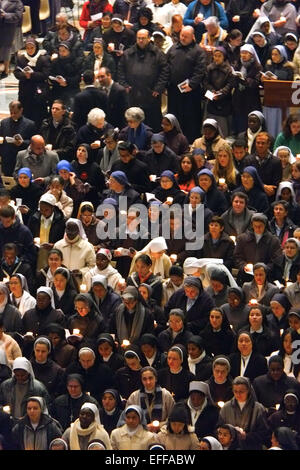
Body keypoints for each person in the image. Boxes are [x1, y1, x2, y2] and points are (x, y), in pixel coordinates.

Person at [118, 29, 169, 132]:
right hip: (133, 95)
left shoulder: (157, 53)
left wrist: (159, 88)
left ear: (149, 38)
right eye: (139, 38)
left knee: (152, 124)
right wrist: (125, 85)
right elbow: (120, 71)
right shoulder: (128, 53)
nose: (141, 40)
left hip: (151, 95)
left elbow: (165, 72)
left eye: (143, 38)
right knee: (134, 122)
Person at [167, 26, 206, 143]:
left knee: (190, 119)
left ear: (193, 37)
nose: (183, 38)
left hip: (191, 92)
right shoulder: (173, 48)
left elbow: (200, 70)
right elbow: (166, 66)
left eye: (186, 36)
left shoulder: (198, 51)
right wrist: (166, 84)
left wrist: (192, 84)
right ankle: (174, 140)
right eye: (182, 35)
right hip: (174, 90)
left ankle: (190, 142)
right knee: (174, 117)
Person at [217, 376, 270, 450]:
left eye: (241, 392)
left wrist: (246, 436)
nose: (238, 394)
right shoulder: (226, 408)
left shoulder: (258, 408)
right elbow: (218, 428)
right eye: (235, 391)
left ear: (248, 390)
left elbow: (264, 433)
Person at [234, 213, 283, 285]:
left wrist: (263, 269)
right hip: (246, 277)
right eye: (255, 226)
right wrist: (243, 265)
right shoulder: (243, 239)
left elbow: (276, 260)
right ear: (252, 225)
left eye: (260, 226)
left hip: (266, 278)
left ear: (265, 226)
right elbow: (237, 256)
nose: (257, 228)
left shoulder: (273, 241)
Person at [14, 38, 51, 127]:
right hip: (25, 91)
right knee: (26, 113)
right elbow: (16, 72)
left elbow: (45, 74)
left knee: (38, 115)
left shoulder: (43, 59)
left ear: (36, 48)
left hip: (38, 92)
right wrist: (24, 75)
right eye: (28, 48)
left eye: (32, 48)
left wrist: (32, 75)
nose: (30, 50)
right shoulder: (21, 58)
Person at [127, 366, 175, 430]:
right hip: (141, 433)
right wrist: (145, 427)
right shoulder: (134, 396)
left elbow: (173, 417)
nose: (148, 382)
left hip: (162, 433)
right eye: (144, 379)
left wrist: (160, 425)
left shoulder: (166, 395)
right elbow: (128, 418)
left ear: (156, 379)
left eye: (150, 378)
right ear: (141, 380)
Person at [28, 193, 66, 270]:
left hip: (53, 251)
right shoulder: (34, 218)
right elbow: (29, 233)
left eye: (46, 210)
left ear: (52, 208)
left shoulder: (60, 221)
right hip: (36, 251)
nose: (43, 212)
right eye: (41, 209)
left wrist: (53, 245)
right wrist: (33, 241)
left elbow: (62, 239)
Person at [203, 47, 235, 138]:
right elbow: (205, 82)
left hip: (224, 100)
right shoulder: (209, 68)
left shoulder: (229, 70)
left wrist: (220, 94)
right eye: (215, 56)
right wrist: (212, 92)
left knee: (223, 127)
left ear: (224, 57)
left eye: (219, 56)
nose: (216, 58)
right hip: (211, 99)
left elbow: (229, 85)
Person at [232, 44, 262, 135]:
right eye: (242, 53)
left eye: (246, 53)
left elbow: (256, 82)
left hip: (251, 99)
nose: (243, 55)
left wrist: (244, 80)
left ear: (252, 54)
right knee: (239, 121)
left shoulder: (257, 67)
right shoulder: (238, 64)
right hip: (238, 98)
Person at [244, 131, 283, 202]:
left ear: (268, 144)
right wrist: (263, 186)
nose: (260, 145)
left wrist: (261, 186)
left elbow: (275, 185)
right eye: (258, 143)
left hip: (269, 197)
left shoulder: (276, 162)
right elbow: (246, 181)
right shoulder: (248, 160)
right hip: (251, 197)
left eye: (263, 143)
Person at [0, 101, 36, 177]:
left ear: (21, 110)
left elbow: (33, 142)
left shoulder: (29, 124)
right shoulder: (4, 123)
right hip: (7, 160)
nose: (13, 115)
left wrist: (23, 142)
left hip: (23, 160)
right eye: (11, 112)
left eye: (15, 112)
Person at [49, 43, 82, 108]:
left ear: (69, 51)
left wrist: (66, 81)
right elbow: (51, 75)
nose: (61, 53)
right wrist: (58, 81)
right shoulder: (55, 62)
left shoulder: (75, 62)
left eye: (64, 51)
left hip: (72, 89)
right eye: (60, 51)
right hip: (57, 88)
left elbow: (78, 78)